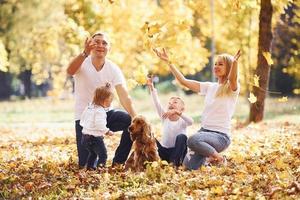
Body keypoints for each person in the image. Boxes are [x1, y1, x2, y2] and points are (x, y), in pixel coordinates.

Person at [154, 48, 241, 170]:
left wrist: (235, 63)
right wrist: (169, 62)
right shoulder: (210, 87)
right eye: (215, 64)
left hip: (220, 137)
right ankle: (208, 159)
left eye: (221, 64)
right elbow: (183, 81)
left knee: (192, 140)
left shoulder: (232, 89)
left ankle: (220, 158)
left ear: (229, 67)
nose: (216, 66)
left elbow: (233, 78)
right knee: (188, 166)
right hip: (204, 133)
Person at [67, 32, 136, 169]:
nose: (100, 45)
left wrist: (136, 117)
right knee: (86, 166)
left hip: (106, 114)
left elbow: (124, 95)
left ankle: (118, 162)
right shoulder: (82, 62)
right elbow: (70, 70)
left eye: (104, 43)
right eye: (96, 42)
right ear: (90, 45)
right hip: (84, 118)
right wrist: (84, 53)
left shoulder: (113, 68)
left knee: (130, 122)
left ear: (109, 48)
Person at [146, 76, 193, 166]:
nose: (171, 104)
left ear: (182, 109)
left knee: (182, 137)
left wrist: (178, 113)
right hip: (164, 152)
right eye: (169, 103)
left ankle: (174, 163)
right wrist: (151, 87)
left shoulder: (183, 120)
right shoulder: (165, 117)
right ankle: (155, 160)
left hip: (178, 153)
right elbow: (157, 103)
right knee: (150, 138)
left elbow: (191, 121)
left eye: (175, 102)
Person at [80, 84, 114, 169]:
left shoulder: (89, 107)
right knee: (103, 155)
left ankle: (90, 168)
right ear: (104, 101)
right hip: (94, 139)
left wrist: (87, 128)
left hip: (84, 138)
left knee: (93, 153)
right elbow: (100, 124)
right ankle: (100, 170)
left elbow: (83, 118)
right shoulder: (100, 111)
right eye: (110, 100)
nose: (111, 102)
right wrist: (107, 131)